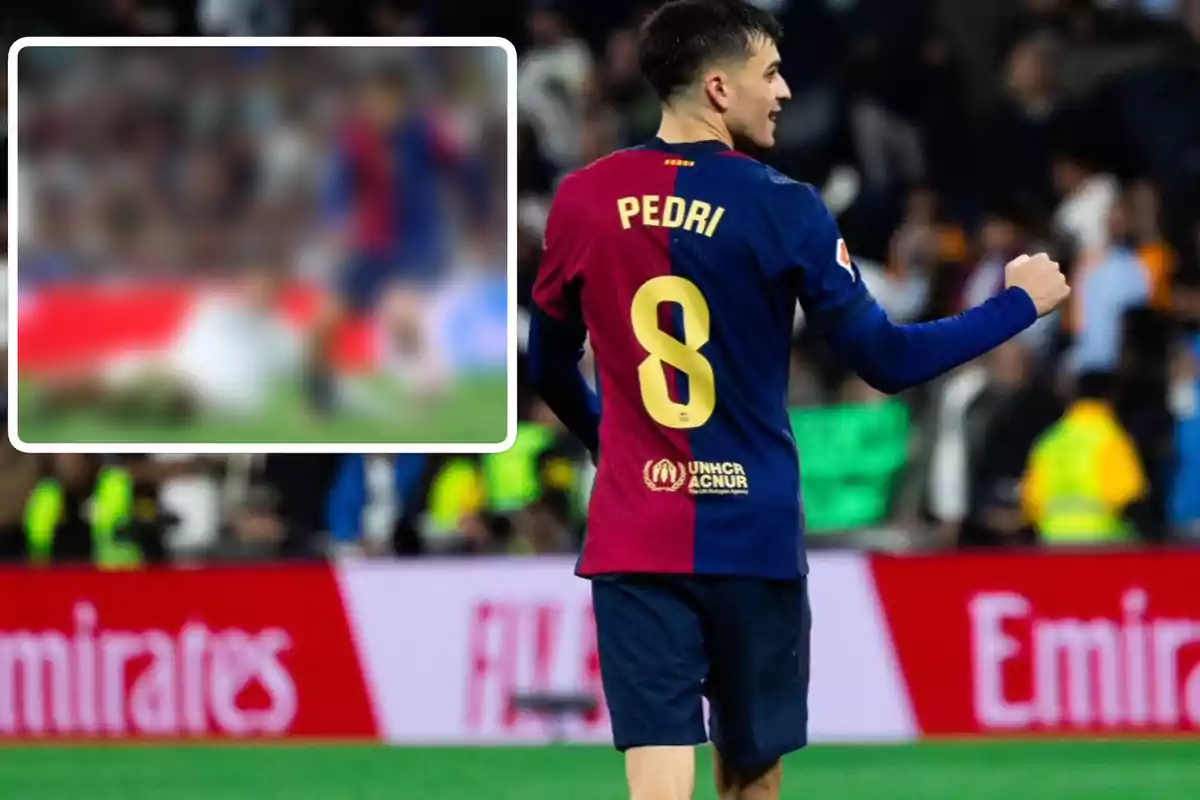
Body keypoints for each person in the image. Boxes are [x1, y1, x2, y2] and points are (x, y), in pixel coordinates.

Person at [525, 2, 1071, 800]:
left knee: (657, 777)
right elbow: (884, 360)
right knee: (753, 775)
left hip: (637, 532)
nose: (784, 91)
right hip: (752, 530)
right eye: (770, 72)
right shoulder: (784, 205)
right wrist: (1015, 305)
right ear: (718, 87)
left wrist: (610, 442)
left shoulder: (582, 199)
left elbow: (545, 363)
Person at [310, 62, 489, 412]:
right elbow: (338, 189)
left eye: (384, 100)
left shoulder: (426, 134)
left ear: (400, 101)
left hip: (418, 246)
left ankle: (430, 393)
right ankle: (321, 401)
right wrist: (335, 221)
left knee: (403, 315)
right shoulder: (357, 139)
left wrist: (479, 221)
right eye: (371, 101)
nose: (377, 108)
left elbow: (469, 175)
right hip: (371, 249)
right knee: (324, 323)